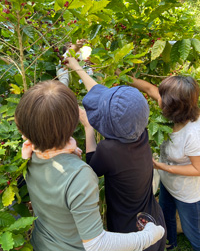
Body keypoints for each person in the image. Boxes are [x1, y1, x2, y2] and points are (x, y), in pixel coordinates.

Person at [14, 80, 165, 251]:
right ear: (72, 123)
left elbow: (45, 115)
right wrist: (148, 236)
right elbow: (96, 244)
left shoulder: (29, 155)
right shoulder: (80, 176)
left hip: (42, 243)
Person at [64, 57, 167, 251]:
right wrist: (76, 66)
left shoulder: (109, 150)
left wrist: (88, 128)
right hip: (153, 218)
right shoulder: (140, 133)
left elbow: (91, 168)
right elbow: (100, 94)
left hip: (129, 231)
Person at [129, 75, 200, 251]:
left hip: (187, 193)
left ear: (173, 104)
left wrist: (161, 167)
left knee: (193, 231)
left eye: (163, 96)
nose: (158, 98)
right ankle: (170, 243)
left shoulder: (193, 134)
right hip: (169, 183)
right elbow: (149, 89)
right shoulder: (174, 113)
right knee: (165, 214)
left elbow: (198, 168)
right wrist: (119, 74)